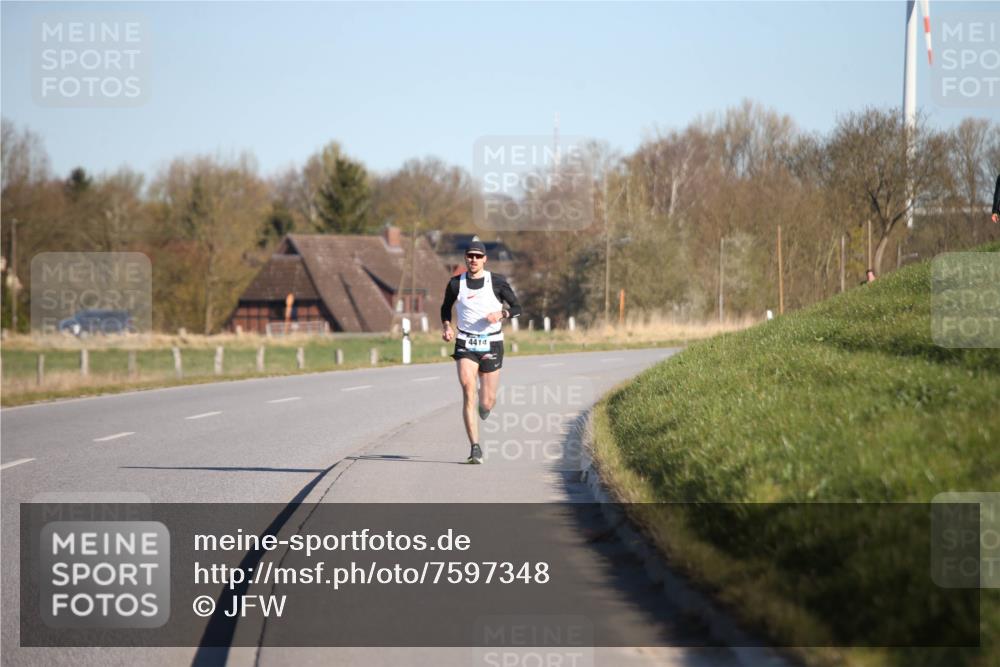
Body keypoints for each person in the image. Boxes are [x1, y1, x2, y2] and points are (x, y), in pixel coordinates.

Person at [440, 238, 521, 464]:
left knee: (486, 401)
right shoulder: (456, 283)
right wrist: (447, 327)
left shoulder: (497, 282)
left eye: (478, 256)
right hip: (465, 341)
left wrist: (502, 314)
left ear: (484, 259)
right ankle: (475, 447)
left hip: (492, 342)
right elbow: (445, 309)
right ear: (465, 258)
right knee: (468, 389)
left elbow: (517, 307)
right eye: (470, 256)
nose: (473, 259)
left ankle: (484, 408)